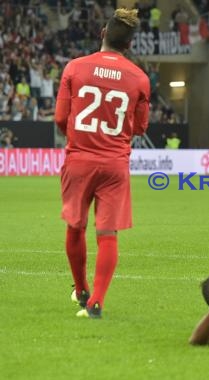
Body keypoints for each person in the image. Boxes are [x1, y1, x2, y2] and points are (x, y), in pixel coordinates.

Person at [54, 8, 150, 319]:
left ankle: (80, 289)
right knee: (107, 234)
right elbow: (139, 127)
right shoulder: (140, 78)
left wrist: (79, 135)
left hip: (79, 159)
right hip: (114, 164)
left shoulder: (75, 68)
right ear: (130, 45)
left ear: (102, 34)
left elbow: (59, 118)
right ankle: (95, 301)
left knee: (75, 226)